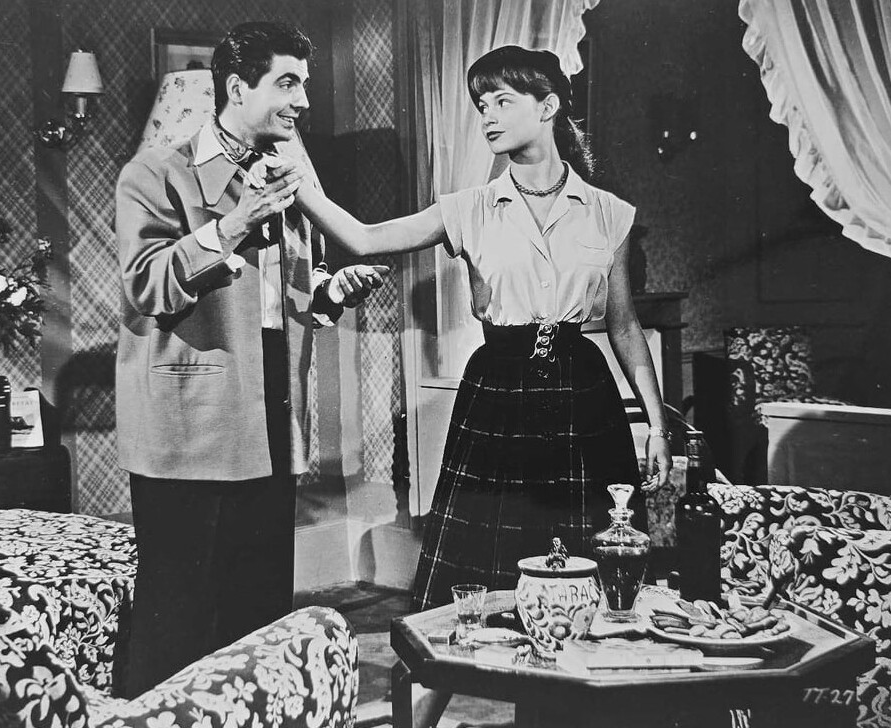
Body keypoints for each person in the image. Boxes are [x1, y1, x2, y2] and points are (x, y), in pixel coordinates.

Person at [294, 42, 671, 605]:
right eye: (481, 105)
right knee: (485, 564)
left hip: (583, 395)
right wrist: (294, 185)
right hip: (498, 391)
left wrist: (658, 427)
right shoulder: (467, 207)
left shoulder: (607, 212)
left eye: (501, 100)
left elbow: (625, 329)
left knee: (593, 563)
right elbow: (365, 239)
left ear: (547, 106)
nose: (487, 116)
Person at [114, 20, 387, 697]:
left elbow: (276, 297)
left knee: (259, 608)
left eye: (305, 85)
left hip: (271, 412)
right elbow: (146, 286)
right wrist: (236, 220)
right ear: (238, 88)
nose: (303, 102)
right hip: (191, 423)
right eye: (287, 84)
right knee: (180, 615)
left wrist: (329, 291)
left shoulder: (283, 178)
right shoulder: (155, 172)